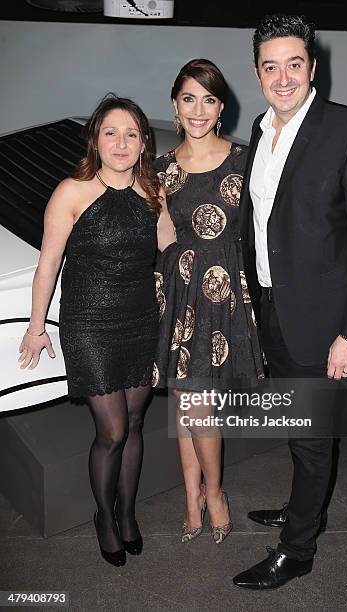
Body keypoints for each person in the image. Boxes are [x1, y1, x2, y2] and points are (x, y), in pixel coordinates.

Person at [233, 14, 347, 589]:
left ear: (313, 68)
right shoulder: (259, 130)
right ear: (257, 74)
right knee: (298, 427)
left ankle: (297, 548)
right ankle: (304, 506)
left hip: (325, 321)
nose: (283, 78)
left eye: (293, 64)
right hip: (273, 310)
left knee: (310, 433)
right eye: (270, 66)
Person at [18, 94, 172, 567]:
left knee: (138, 422)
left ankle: (127, 512)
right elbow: (48, 267)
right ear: (96, 140)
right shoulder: (72, 191)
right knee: (113, 429)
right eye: (111, 132)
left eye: (131, 133)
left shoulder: (154, 190)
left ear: (143, 141)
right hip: (90, 324)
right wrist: (36, 326)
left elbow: (173, 252)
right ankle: (104, 515)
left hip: (142, 319)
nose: (121, 142)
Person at [153, 59, 265, 545]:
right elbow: (161, 240)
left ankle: (212, 493)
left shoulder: (245, 159)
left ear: (222, 107)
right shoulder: (159, 170)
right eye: (189, 98)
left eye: (209, 99)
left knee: (200, 408)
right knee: (187, 404)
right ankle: (192, 496)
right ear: (174, 105)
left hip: (227, 294)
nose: (199, 110)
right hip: (179, 295)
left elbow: (264, 230)